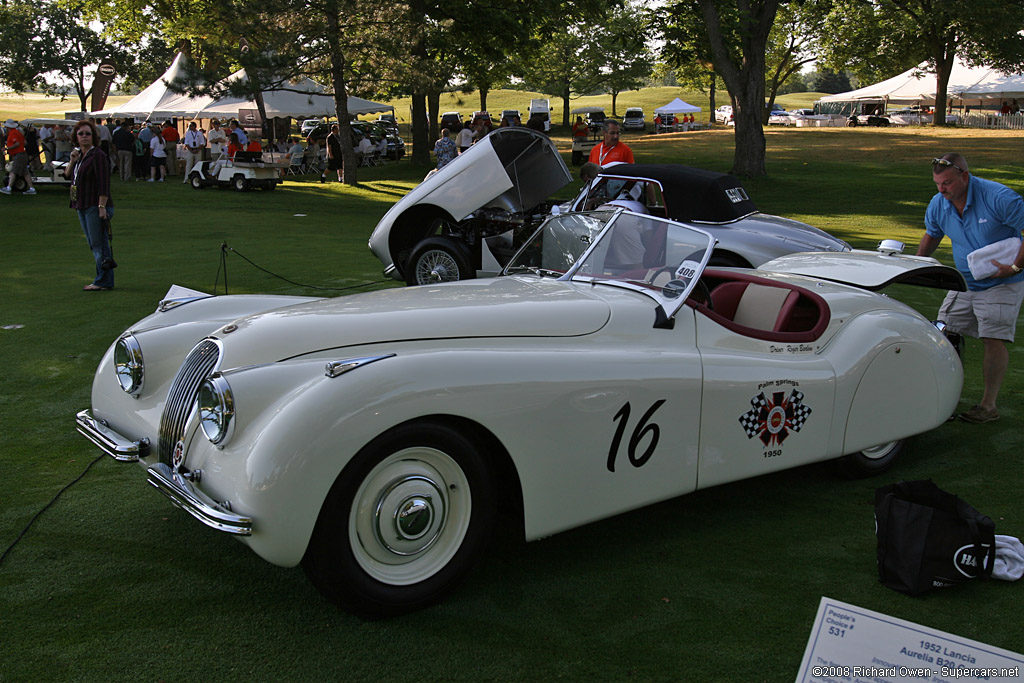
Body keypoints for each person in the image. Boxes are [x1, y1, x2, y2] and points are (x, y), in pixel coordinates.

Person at [915, 153, 1024, 423]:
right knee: (944, 331)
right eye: (938, 184)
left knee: (992, 337)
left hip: (1002, 280)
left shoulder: (1000, 198)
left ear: (965, 176)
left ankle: (988, 406)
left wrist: (1014, 268)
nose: (942, 189)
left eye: (948, 183)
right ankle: (943, 398)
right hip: (964, 280)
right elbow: (933, 234)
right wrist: (915, 266)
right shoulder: (940, 203)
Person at [62, 119, 115, 290]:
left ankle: (103, 281)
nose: (84, 137)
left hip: (95, 205)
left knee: (98, 243)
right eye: (81, 134)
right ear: (76, 137)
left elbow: (103, 183)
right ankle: (103, 279)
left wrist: (102, 207)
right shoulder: (80, 156)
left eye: (88, 134)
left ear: (93, 137)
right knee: (95, 243)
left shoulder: (98, 156)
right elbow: (67, 175)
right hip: (81, 204)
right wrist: (72, 160)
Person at [1, 119, 35, 195]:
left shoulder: (13, 133)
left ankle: (9, 188)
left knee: (13, 171)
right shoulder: (18, 132)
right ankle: (32, 188)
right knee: (25, 173)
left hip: (19, 155)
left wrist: (7, 148)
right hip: (22, 154)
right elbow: (24, 142)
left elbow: (17, 144)